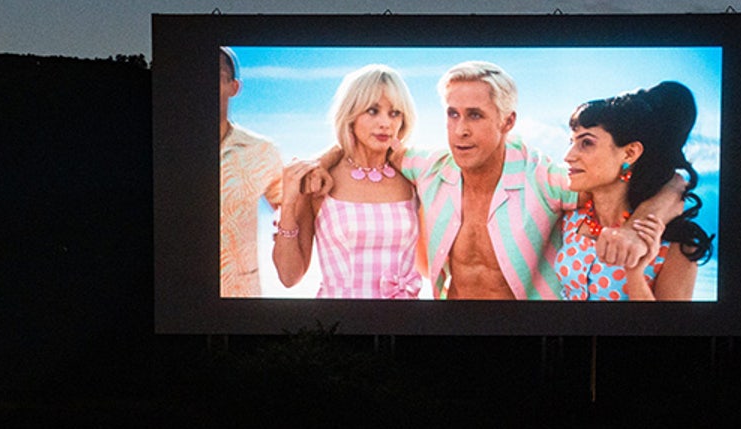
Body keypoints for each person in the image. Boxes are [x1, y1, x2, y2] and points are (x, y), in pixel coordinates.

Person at [301, 61, 683, 300]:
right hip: (448, 332)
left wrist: (637, 229)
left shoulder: (543, 176)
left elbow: (675, 183)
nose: (460, 131)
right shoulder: (430, 167)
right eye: (452, 115)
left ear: (508, 121)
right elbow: (371, 143)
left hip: (528, 337)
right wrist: (322, 162)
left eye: (475, 116)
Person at [272, 64, 424, 299]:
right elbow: (289, 276)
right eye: (373, 111)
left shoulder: (413, 179)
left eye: (395, 113)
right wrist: (289, 203)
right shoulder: (320, 181)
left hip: (404, 324)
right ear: (351, 115)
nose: (386, 123)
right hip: (340, 323)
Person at [555, 82, 713, 301]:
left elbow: (671, 330)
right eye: (571, 142)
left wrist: (635, 274)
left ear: (630, 153)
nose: (568, 156)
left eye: (587, 143)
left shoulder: (676, 244)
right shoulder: (571, 218)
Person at [218, 46, 284, 297]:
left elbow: (290, 213)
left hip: (241, 299)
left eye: (214, 78)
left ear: (234, 87)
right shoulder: (170, 149)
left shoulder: (262, 151)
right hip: (179, 295)